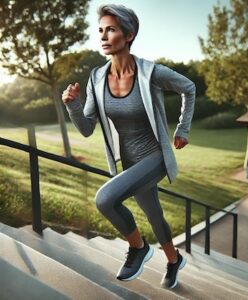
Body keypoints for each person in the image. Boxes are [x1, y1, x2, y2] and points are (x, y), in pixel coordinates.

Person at [62, 4, 195, 289]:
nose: (103, 35)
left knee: (105, 199)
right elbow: (86, 129)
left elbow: (189, 88)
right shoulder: (96, 79)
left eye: (111, 29)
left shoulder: (151, 72)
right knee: (154, 215)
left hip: (156, 156)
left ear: (129, 35)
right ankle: (174, 261)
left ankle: (138, 248)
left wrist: (183, 128)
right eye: (101, 30)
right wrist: (72, 105)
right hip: (131, 162)